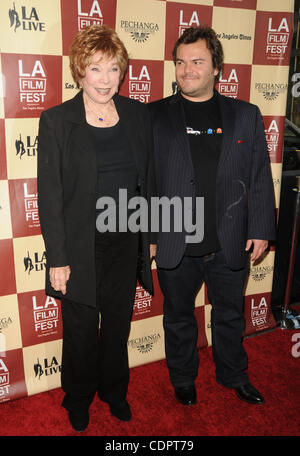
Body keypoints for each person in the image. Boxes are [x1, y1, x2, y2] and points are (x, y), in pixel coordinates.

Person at [148, 26, 275, 406]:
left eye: (198, 61)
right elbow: (146, 179)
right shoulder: (153, 115)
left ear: (217, 67)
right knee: (178, 318)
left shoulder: (246, 115)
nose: (188, 70)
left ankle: (233, 375)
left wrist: (261, 228)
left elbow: (258, 175)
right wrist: (149, 233)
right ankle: (183, 379)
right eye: (181, 62)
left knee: (230, 316)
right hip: (175, 241)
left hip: (230, 238)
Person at [37, 25, 156, 432]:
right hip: (80, 244)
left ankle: (114, 391)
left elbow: (149, 180)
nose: (105, 79)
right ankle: (79, 396)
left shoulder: (138, 114)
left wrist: (150, 237)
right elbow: (49, 196)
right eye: (96, 69)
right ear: (80, 72)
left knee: (119, 323)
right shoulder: (56, 121)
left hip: (126, 241)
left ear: (123, 72)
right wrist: (58, 259)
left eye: (113, 69)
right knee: (83, 328)